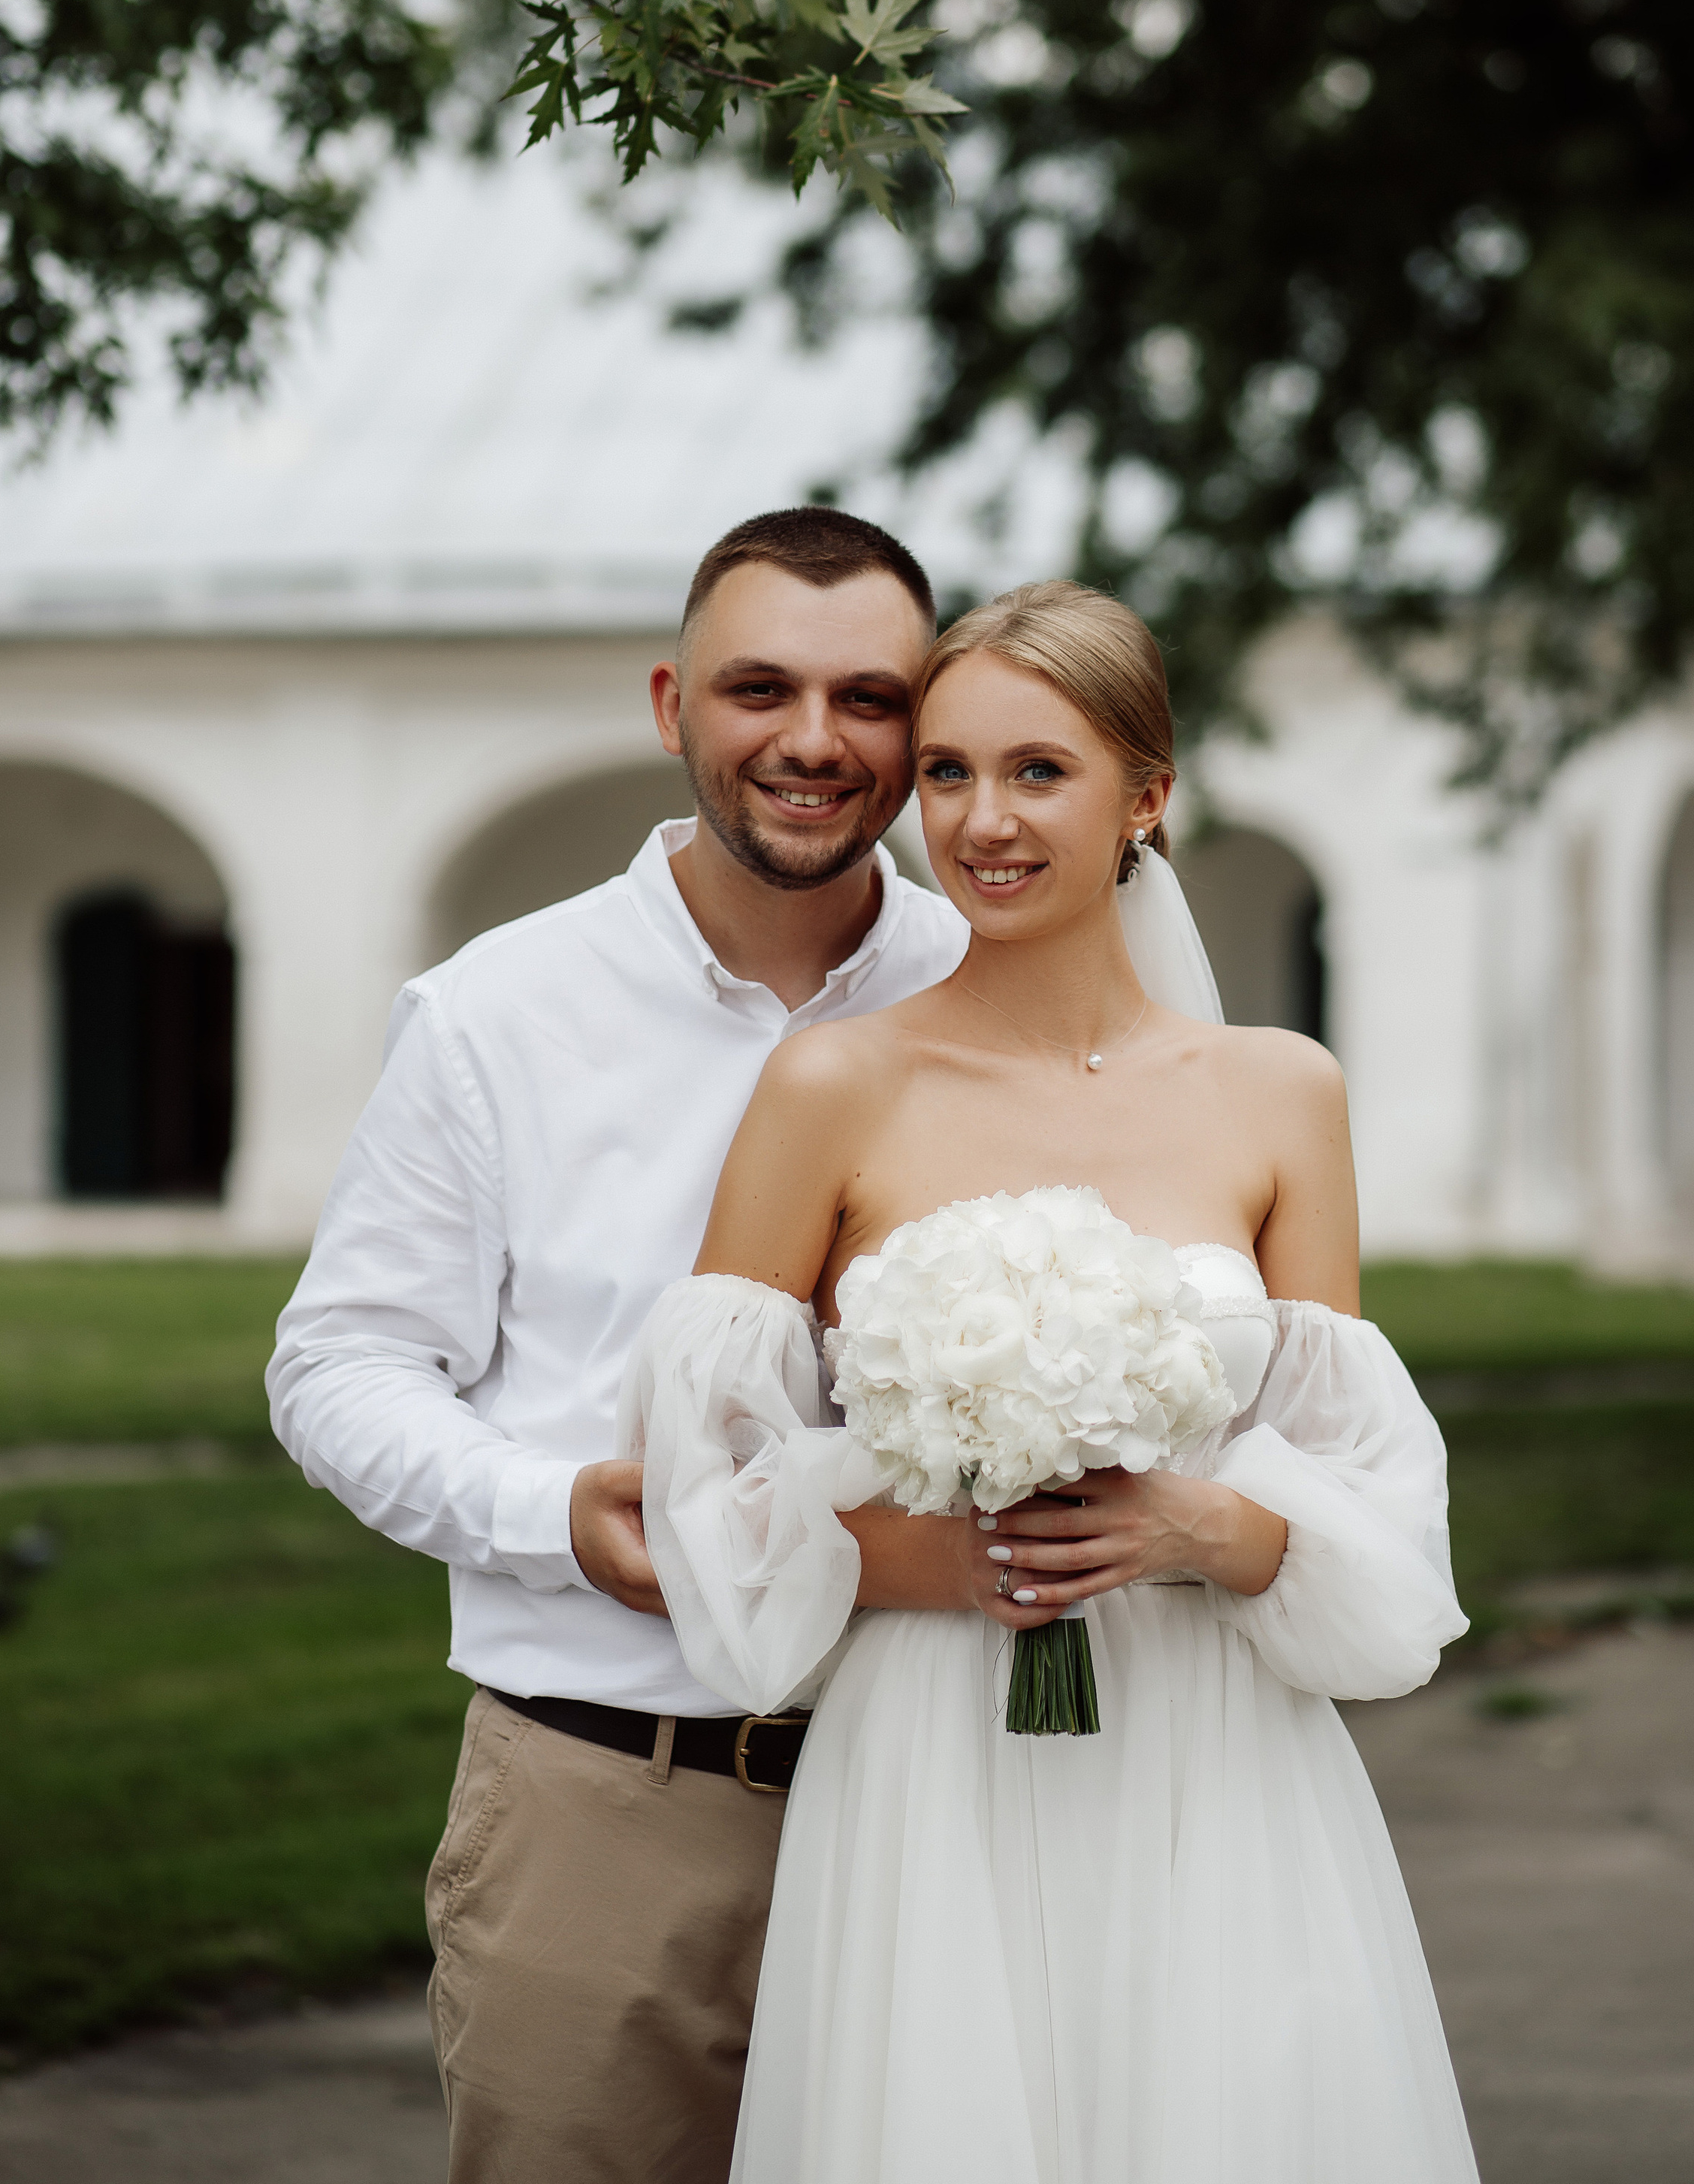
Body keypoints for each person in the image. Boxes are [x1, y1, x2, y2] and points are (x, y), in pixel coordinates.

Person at [624, 580, 1481, 2184]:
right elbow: (701, 1467)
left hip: (1212, 1747)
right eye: (944, 773)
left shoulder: (1279, 1093)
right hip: (934, 1747)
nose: (978, 822)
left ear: (1146, 797)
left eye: (1037, 772)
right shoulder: (831, 1083)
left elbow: (1349, 1480)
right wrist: (932, 1558)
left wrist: (1197, 1534)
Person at [266, 506, 972, 2184]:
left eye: (869, 698)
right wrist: (550, 1514)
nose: (812, 742)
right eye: (758, 690)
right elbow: (338, 1367)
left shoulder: (990, 987)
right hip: (609, 1797)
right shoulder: (497, 1013)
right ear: (670, 703)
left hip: (947, 1800)